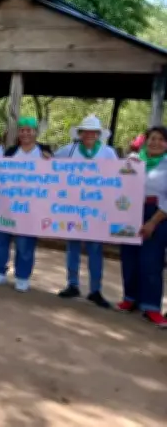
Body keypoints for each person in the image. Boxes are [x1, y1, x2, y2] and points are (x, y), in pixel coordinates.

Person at [54, 114, 118, 308]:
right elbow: (49, 165)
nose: (89, 135)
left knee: (95, 249)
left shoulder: (108, 153)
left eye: (93, 132)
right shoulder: (69, 150)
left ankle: (95, 290)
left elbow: (118, 176)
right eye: (86, 131)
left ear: (98, 134)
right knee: (72, 246)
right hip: (73, 207)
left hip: (97, 209)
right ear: (80, 133)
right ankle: (72, 284)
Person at [0, 117, 52, 292]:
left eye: (29, 130)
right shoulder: (10, 152)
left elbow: (54, 176)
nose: (25, 133)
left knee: (25, 243)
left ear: (35, 133)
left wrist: (50, 162)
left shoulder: (44, 153)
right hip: (7, 205)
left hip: (31, 208)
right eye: (22, 130)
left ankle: (22, 276)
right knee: (0, 239)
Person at [117, 126, 167, 328]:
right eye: (152, 138)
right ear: (145, 141)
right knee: (128, 256)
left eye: (161, 139)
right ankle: (130, 298)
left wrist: (153, 222)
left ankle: (151, 307)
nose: (156, 143)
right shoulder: (134, 160)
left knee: (151, 261)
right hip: (129, 210)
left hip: (156, 214)